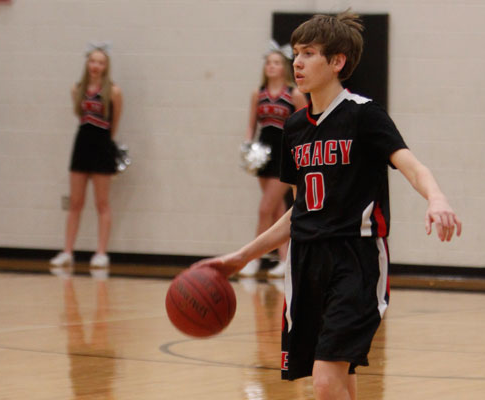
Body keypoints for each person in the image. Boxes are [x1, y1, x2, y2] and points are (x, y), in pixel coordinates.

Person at [193, 11, 461, 400]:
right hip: (306, 262)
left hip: (355, 259)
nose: (297, 62)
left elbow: (410, 164)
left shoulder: (363, 115)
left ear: (337, 62)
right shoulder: (296, 127)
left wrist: (436, 198)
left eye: (310, 53)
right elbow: (298, 211)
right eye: (296, 53)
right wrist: (241, 257)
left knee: (324, 381)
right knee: (338, 381)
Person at [50, 43, 123, 272]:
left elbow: (115, 122)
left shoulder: (114, 91)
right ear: (87, 63)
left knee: (102, 203)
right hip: (81, 144)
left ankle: (101, 254)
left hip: (102, 145)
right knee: (75, 203)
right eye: (92, 61)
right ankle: (67, 252)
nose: (95, 66)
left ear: (106, 66)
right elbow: (79, 114)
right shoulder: (77, 89)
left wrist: (107, 146)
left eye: (100, 62)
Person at [239, 41, 307, 277]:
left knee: (264, 208)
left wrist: (300, 152)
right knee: (277, 209)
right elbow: (251, 126)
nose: (271, 66)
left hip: (284, 152)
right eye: (268, 63)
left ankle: (253, 259)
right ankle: (285, 260)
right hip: (263, 153)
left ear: (284, 67)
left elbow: (306, 124)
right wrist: (247, 148)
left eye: (276, 63)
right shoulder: (257, 94)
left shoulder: (294, 93)